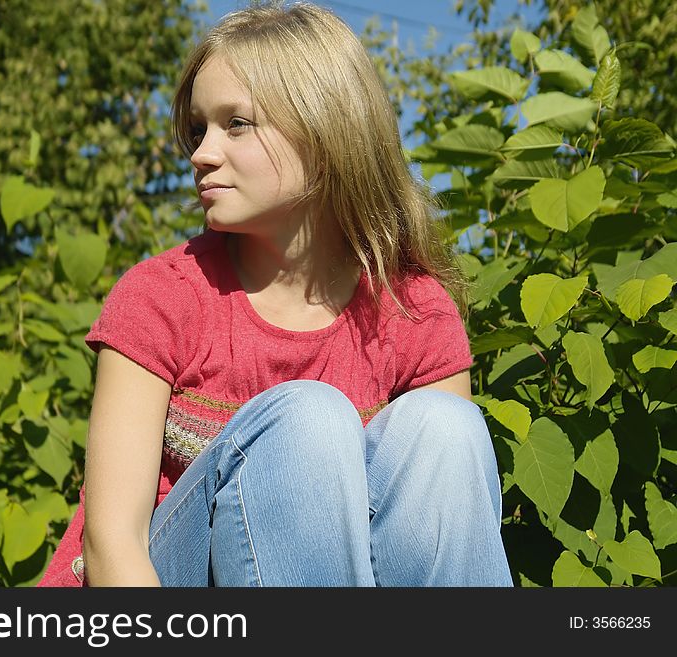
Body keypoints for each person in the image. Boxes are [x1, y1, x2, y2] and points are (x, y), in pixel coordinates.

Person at [38, 1, 512, 587]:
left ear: (325, 130)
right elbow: (113, 548)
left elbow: (441, 523)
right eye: (197, 128)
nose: (201, 153)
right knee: (306, 419)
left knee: (448, 429)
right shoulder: (161, 297)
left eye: (236, 123)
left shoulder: (413, 311)